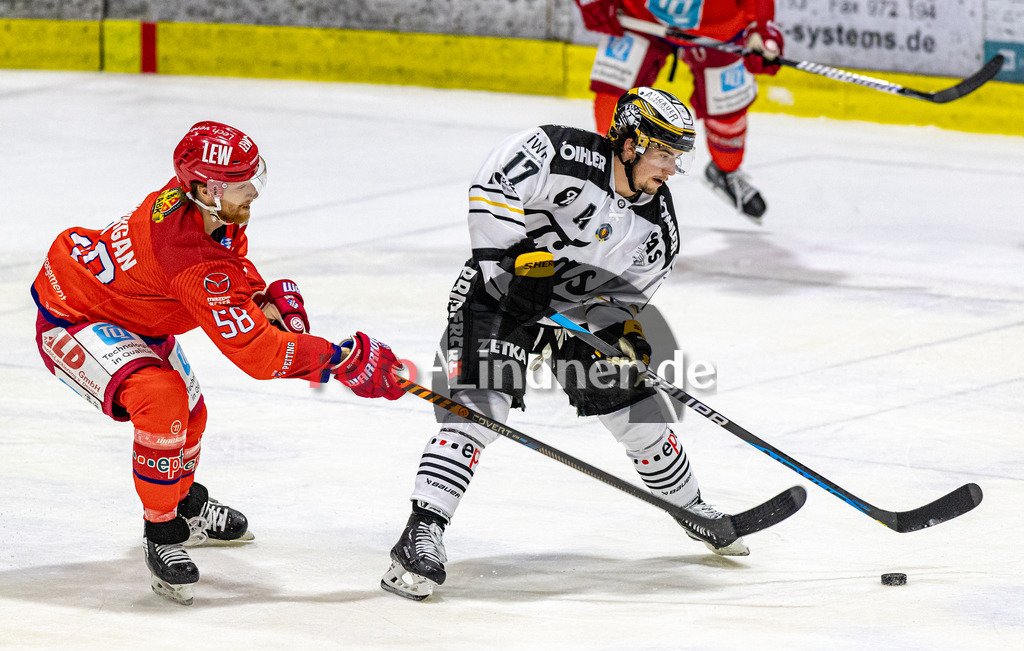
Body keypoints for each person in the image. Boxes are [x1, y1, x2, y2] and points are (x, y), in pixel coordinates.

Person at [380, 87, 749, 602]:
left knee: (638, 410)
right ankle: (421, 534)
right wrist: (507, 266)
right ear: (632, 142)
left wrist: (618, 330)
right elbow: (492, 187)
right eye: (664, 153)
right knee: (477, 412)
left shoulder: (658, 230)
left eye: (676, 158)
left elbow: (627, 298)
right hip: (500, 297)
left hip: (572, 315)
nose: (670, 169)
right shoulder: (560, 152)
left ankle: (691, 509)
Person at [31, 121, 404, 606]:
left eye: (253, 176)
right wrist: (338, 359)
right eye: (239, 182)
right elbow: (259, 355)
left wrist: (258, 297)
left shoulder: (205, 210)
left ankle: (181, 503)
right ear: (206, 188)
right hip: (74, 316)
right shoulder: (187, 258)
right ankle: (161, 530)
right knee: (162, 400)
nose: (252, 190)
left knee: (193, 411)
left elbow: (226, 271)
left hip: (129, 310)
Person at [574, 0, 785, 220]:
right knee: (612, 105)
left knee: (728, 125)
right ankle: (612, 178)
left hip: (719, 27)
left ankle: (724, 171)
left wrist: (762, 28)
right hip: (641, 15)